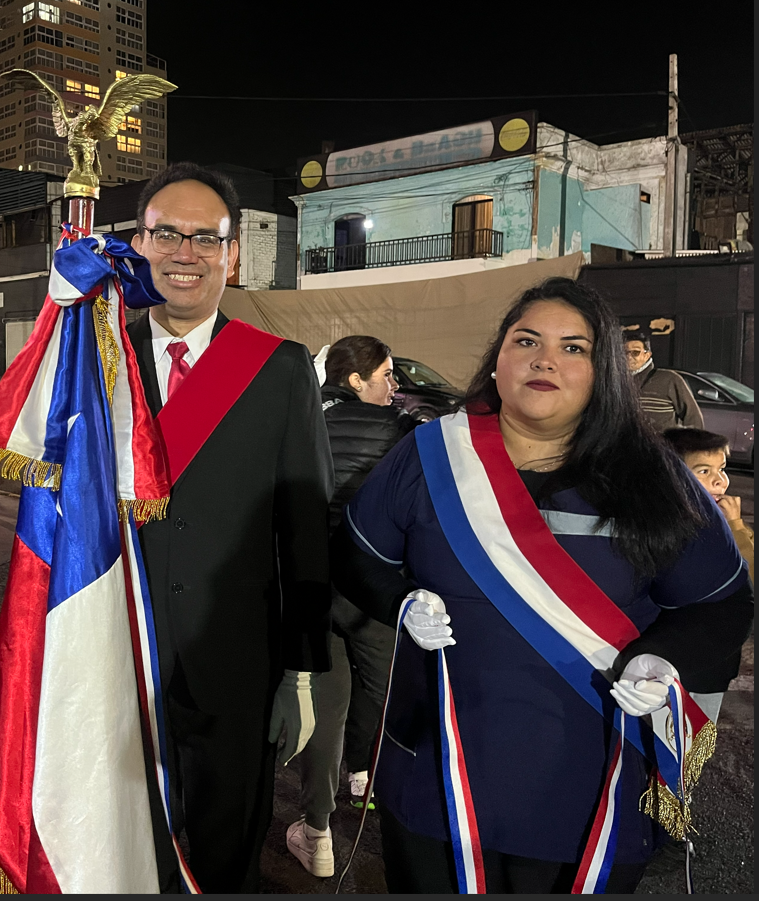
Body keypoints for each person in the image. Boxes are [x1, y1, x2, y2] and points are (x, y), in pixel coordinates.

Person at [332, 277, 753, 893]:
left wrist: (664, 659)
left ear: (603, 370)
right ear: (497, 359)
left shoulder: (653, 475)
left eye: (574, 347)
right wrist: (400, 602)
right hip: (440, 767)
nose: (545, 359)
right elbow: (357, 555)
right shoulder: (429, 453)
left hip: (586, 777)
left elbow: (716, 604)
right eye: (526, 339)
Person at [124, 162, 333, 892]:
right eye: (166, 234)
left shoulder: (278, 369)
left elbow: (305, 525)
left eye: (205, 238)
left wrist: (303, 670)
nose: (185, 253)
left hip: (238, 667)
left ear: (233, 254)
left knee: (223, 860)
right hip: (118, 653)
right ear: (138, 243)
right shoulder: (95, 357)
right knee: (124, 851)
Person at [286, 336, 412, 877]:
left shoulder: (295, 420)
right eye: (387, 374)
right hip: (372, 588)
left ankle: (317, 830)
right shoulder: (400, 432)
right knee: (380, 688)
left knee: (322, 703)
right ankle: (364, 772)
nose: (396, 385)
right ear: (356, 380)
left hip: (309, 585)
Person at [663, 428, 753, 580]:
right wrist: (735, 527)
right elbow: (748, 581)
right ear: (672, 476)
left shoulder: (716, 518)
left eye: (722, 469)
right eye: (704, 471)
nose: (721, 481)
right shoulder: (672, 529)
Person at [624, 331, 704, 431]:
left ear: (647, 355)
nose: (629, 357)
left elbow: (693, 417)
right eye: (625, 352)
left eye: (635, 352)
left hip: (662, 445)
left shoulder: (669, 379)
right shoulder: (617, 381)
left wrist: (691, 444)